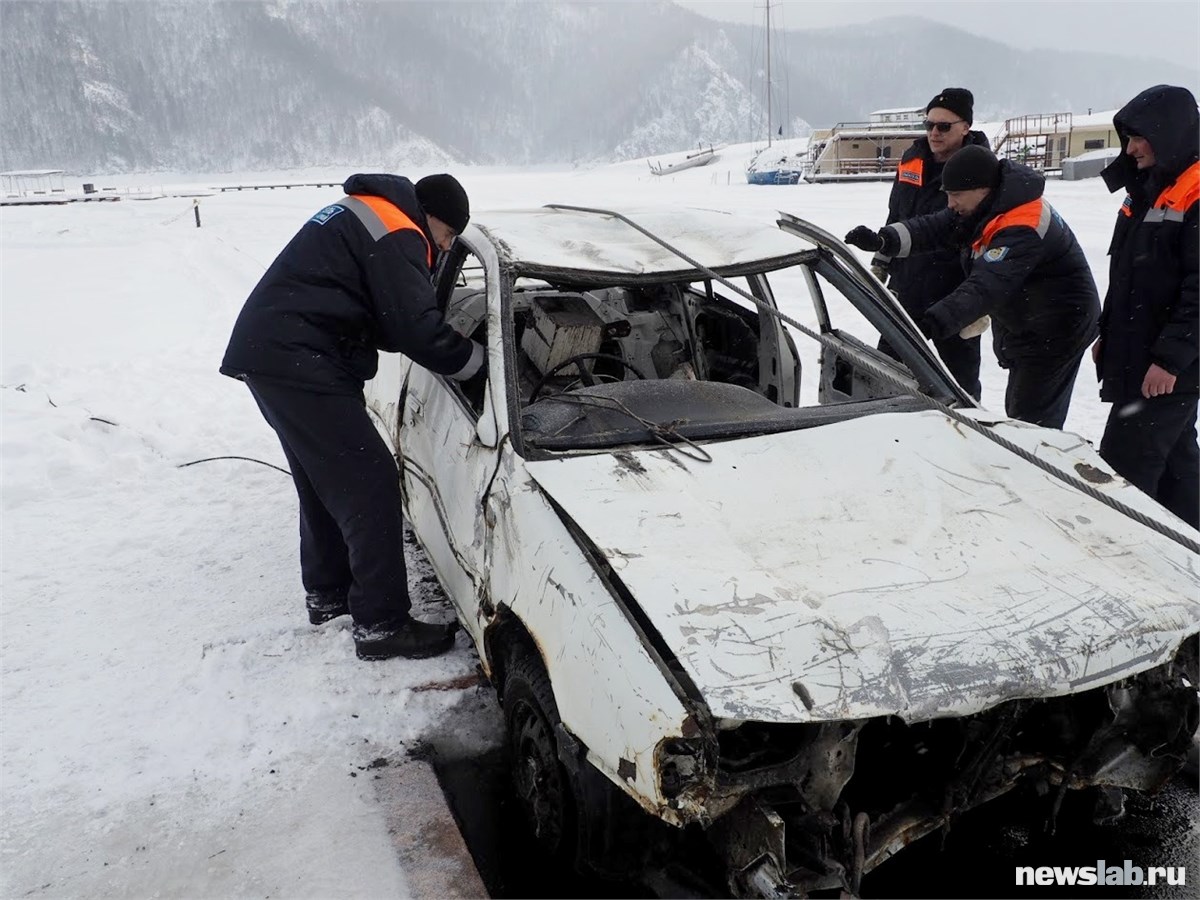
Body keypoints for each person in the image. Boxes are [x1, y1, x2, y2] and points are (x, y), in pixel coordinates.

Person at [221, 173, 485, 660]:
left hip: (277, 354)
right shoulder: (399, 229)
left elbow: (380, 313)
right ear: (434, 219)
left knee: (326, 480)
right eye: (447, 238)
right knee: (370, 481)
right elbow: (413, 329)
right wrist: (476, 364)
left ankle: (329, 595)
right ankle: (382, 624)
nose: (444, 249)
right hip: (300, 359)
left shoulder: (371, 212)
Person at [845, 145, 1100, 429]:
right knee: (1021, 404)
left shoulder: (1022, 226)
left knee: (1031, 418)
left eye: (955, 195)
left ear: (983, 189)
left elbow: (986, 287)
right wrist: (884, 241)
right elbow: (934, 227)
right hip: (1028, 317)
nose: (950, 204)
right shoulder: (986, 205)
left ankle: (1036, 463)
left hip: (1057, 327)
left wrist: (931, 323)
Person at [1094, 85, 1198, 528]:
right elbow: (1129, 276)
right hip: (1140, 355)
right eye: (1127, 138)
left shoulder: (1193, 193)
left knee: (1125, 471)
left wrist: (1170, 360)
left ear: (1168, 133)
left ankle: (1127, 555)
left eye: (1140, 138)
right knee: (1178, 467)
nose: (1131, 149)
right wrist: (1107, 332)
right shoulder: (1150, 189)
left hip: (1166, 369)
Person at [871, 87, 992, 400]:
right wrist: (882, 258)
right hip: (907, 284)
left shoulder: (980, 170)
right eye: (929, 125)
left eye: (943, 126)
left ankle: (966, 433)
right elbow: (897, 210)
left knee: (958, 382)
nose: (934, 133)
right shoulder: (914, 158)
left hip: (953, 292)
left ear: (966, 127)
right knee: (885, 370)